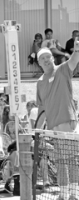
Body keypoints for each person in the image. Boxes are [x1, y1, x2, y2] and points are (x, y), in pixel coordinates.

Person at [36, 42, 79, 199]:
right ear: (39, 63)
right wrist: (37, 131)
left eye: (48, 57)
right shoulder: (40, 82)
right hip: (54, 127)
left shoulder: (62, 70)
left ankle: (73, 194)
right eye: (43, 58)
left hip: (68, 122)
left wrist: (77, 50)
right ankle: (63, 194)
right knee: (61, 161)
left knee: (71, 160)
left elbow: (74, 60)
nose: (46, 60)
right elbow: (42, 109)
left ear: (53, 58)